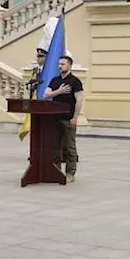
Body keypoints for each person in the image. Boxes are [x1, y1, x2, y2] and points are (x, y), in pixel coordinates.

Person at [43, 55, 84, 183]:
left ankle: (70, 172)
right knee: (55, 146)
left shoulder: (75, 82)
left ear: (70, 66)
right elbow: (46, 95)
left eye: (63, 64)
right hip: (54, 119)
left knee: (69, 146)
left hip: (68, 118)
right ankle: (56, 171)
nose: (60, 66)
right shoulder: (55, 80)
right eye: (59, 64)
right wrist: (59, 92)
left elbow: (79, 100)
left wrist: (75, 118)